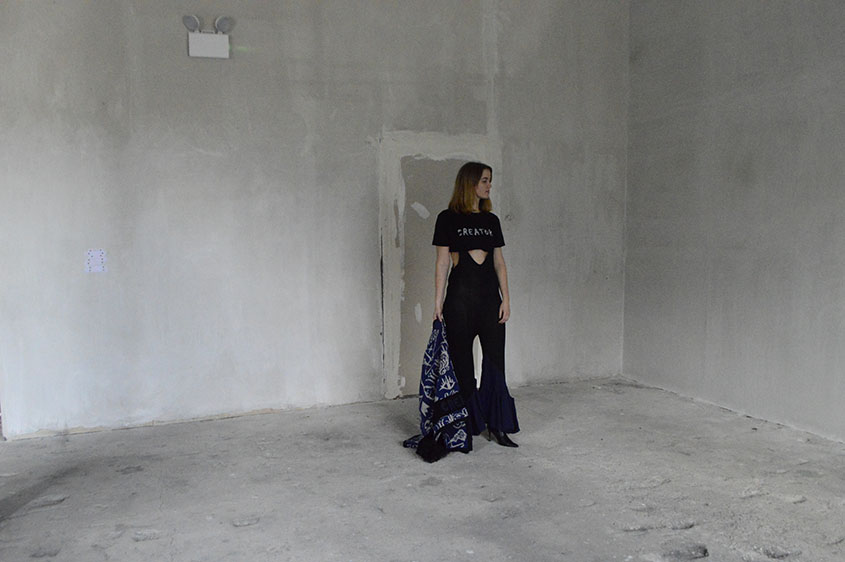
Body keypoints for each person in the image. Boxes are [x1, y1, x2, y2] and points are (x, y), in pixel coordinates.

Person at [432, 161, 520, 449]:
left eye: (489, 180)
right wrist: (437, 302)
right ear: (470, 182)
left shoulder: (491, 220)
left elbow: (499, 263)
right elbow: (442, 262)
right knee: (462, 364)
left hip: (490, 303)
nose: (489, 185)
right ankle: (465, 426)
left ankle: (497, 425)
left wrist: (506, 298)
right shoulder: (447, 218)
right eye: (484, 180)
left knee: (495, 362)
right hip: (459, 302)